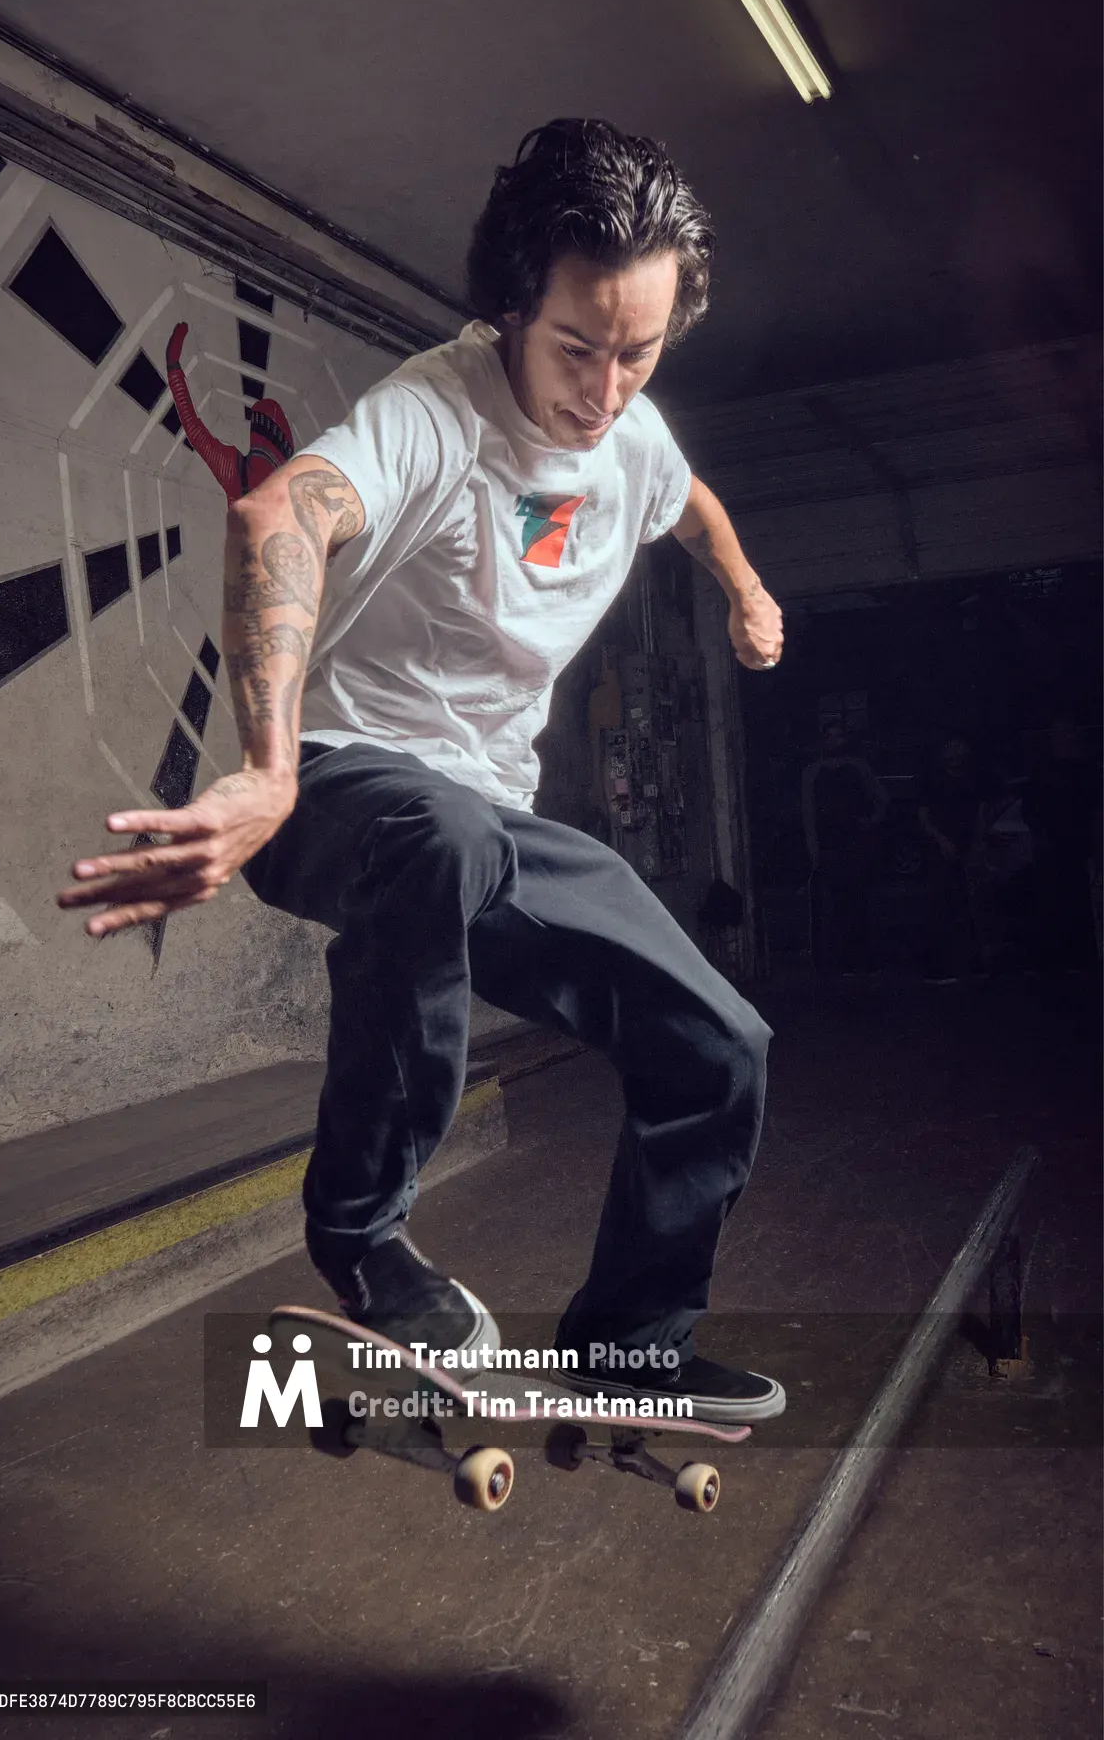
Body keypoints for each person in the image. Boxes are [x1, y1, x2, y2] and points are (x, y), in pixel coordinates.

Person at [57, 119, 787, 1424]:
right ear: (512, 304)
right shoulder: (434, 411)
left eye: (639, 352)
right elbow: (281, 510)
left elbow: (693, 501)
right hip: (340, 789)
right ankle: (363, 1232)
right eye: (576, 348)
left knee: (718, 1042)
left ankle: (632, 1350)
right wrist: (269, 768)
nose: (604, 389)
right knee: (441, 833)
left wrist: (745, 590)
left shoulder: (633, 428)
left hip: (487, 822)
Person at [164, 320, 294, 504]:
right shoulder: (239, 478)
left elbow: (193, 429)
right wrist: (173, 370)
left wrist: (173, 370)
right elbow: (194, 430)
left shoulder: (236, 477)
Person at [801, 720, 888, 972]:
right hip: (829, 845)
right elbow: (808, 813)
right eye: (829, 736)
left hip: (856, 843)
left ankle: (861, 959)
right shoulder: (812, 772)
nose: (834, 741)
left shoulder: (858, 767)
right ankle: (835, 961)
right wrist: (813, 849)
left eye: (839, 736)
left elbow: (882, 799)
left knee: (859, 901)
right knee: (833, 905)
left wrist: (870, 822)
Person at [1022, 716, 1100, 971]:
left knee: (1082, 901)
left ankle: (1083, 956)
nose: (1064, 737)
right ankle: (1058, 959)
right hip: (1052, 846)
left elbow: (1097, 808)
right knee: (1053, 901)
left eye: (1068, 731)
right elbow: (1030, 808)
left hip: (1082, 846)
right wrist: (1041, 835)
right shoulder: (1043, 771)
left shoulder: (1090, 770)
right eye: (1059, 732)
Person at [917, 737, 993, 983]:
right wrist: (941, 841)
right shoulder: (933, 781)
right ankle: (937, 967)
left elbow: (980, 813)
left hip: (967, 847)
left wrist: (978, 844)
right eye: (950, 748)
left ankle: (974, 962)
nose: (956, 752)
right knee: (941, 904)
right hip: (941, 849)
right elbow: (924, 816)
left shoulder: (974, 780)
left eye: (959, 748)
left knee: (970, 905)